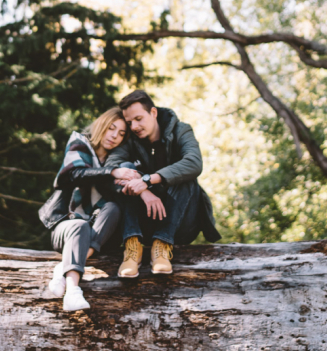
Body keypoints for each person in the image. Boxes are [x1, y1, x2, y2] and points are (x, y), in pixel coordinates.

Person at [104, 89, 220, 278]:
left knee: (185, 175)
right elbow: (110, 170)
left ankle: (162, 246)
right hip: (144, 222)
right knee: (125, 168)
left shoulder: (181, 130)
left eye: (139, 118)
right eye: (129, 122)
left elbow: (194, 163)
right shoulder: (130, 140)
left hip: (180, 223)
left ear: (153, 113)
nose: (133, 126)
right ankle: (132, 248)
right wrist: (143, 190)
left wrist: (148, 179)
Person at [38, 107, 132, 312]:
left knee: (113, 209)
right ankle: (72, 291)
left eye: (121, 133)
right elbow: (75, 174)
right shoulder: (79, 143)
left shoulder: (116, 157)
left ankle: (63, 267)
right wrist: (112, 172)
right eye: (111, 128)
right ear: (101, 125)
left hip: (97, 232)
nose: (115, 136)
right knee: (79, 225)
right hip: (66, 227)